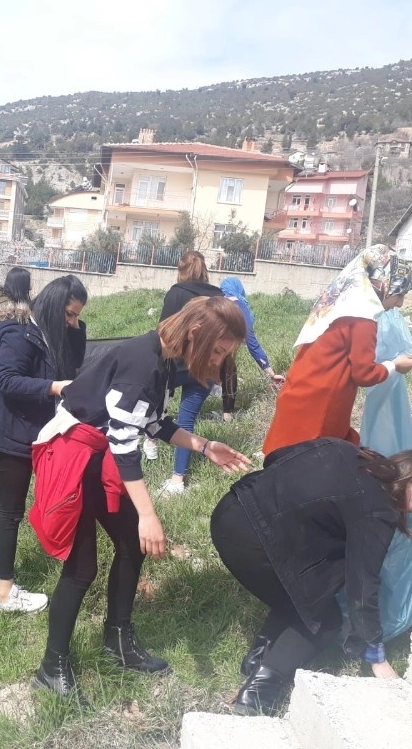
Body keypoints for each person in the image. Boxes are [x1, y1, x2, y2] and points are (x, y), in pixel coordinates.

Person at [30, 296, 251, 700]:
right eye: (218, 351)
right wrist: (148, 513)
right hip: (74, 455)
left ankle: (118, 640)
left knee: (131, 544)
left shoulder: (163, 355)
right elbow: (124, 443)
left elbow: (153, 423)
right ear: (196, 334)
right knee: (82, 569)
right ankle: (52, 665)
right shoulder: (143, 362)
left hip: (100, 452)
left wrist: (204, 445)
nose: (219, 362)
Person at [210, 437, 412, 715]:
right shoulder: (378, 509)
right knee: (325, 619)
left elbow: (274, 458)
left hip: (229, 514)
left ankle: (257, 657)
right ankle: (258, 693)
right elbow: (363, 585)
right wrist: (376, 655)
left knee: (306, 590)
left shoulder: (341, 448)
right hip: (255, 548)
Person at [0, 271, 87, 614]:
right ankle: (7, 595)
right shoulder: (21, 335)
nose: (73, 322)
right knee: (10, 512)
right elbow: (7, 380)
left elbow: (73, 363)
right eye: (70, 314)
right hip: (9, 431)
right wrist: (53, 387)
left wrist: (76, 332)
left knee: (1, 506)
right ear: (54, 308)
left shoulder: (41, 333)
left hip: (11, 428)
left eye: (78, 316)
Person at [263, 246, 412, 457]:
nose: (400, 303)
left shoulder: (342, 302)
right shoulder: (362, 317)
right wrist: (394, 365)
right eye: (399, 294)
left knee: (286, 459)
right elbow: (364, 374)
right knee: (311, 465)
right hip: (321, 405)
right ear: (382, 284)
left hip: (300, 393)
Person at [145, 251, 227, 496]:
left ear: (181, 271)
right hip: (206, 368)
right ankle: (178, 479)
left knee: (153, 407)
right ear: (204, 270)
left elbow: (163, 330)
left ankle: (149, 441)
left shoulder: (176, 293)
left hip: (175, 365)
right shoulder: (219, 296)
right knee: (187, 420)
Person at [218, 277, 284, 421]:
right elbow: (251, 342)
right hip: (220, 350)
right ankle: (227, 415)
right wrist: (270, 372)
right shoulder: (240, 305)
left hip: (199, 347)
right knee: (229, 371)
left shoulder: (216, 300)